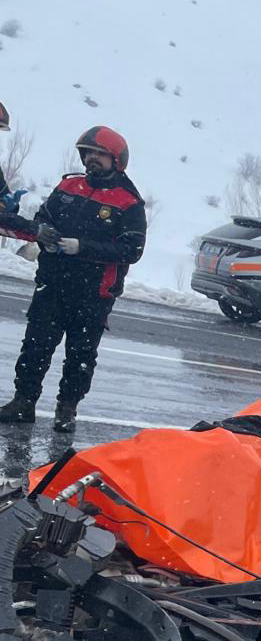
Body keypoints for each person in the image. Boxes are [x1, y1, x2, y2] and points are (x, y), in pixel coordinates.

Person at [0, 127, 146, 433]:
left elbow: (131, 250)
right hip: (52, 283)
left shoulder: (129, 203)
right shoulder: (69, 185)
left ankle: (67, 409)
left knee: (80, 356)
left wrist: (84, 247)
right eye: (88, 153)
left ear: (116, 159)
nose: (92, 159)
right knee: (35, 347)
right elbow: (44, 217)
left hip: (93, 293)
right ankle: (24, 402)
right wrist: (44, 233)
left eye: (99, 154)